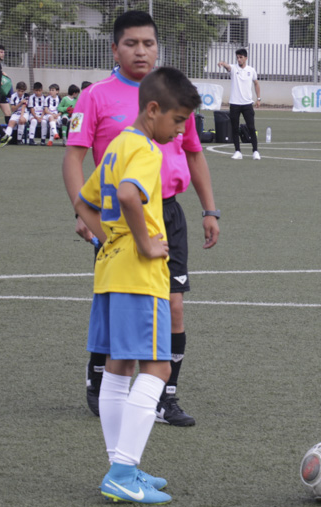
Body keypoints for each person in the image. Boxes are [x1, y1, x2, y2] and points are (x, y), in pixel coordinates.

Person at [64, 10, 221, 426]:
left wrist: (209, 209)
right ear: (115, 48)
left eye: (148, 43)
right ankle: (102, 381)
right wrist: (84, 213)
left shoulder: (172, 93)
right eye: (131, 43)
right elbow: (74, 158)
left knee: (173, 305)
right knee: (120, 302)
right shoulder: (96, 96)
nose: (141, 51)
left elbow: (193, 152)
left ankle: (164, 396)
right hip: (121, 217)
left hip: (167, 212)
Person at [74, 66, 201, 504]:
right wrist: (144, 242)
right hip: (139, 276)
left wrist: (108, 237)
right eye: (179, 120)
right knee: (158, 369)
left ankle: (120, 465)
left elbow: (83, 202)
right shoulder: (146, 150)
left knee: (118, 366)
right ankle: (123, 471)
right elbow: (129, 196)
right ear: (152, 110)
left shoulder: (115, 148)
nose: (182, 130)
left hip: (110, 270)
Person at [217, 49, 261, 160]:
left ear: (246, 58)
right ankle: (237, 151)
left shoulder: (251, 70)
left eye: (241, 57)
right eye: (237, 57)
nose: (239, 59)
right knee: (235, 129)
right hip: (235, 104)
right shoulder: (233, 68)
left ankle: (255, 151)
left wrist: (258, 98)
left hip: (247, 104)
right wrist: (223, 63)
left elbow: (256, 83)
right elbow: (228, 67)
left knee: (251, 127)